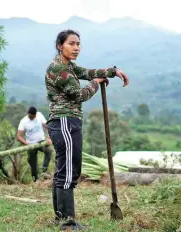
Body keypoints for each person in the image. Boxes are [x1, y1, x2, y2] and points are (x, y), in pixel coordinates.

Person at [45, 29, 129, 230]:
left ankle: (61, 219)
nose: (76, 48)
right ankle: (68, 223)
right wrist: (95, 83)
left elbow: (87, 72)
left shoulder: (69, 66)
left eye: (78, 44)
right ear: (60, 46)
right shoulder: (59, 70)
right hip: (64, 122)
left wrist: (112, 71)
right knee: (68, 171)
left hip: (68, 121)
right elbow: (80, 95)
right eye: (71, 44)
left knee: (64, 170)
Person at [17, 106, 53, 182]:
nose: (32, 118)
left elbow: (48, 127)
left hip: (41, 141)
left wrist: (49, 138)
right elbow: (19, 136)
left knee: (49, 150)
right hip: (31, 144)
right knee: (33, 166)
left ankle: (44, 171)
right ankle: (36, 181)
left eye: (33, 116)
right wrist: (27, 144)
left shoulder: (39, 115)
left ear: (35, 114)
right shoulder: (23, 121)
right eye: (31, 117)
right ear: (28, 114)